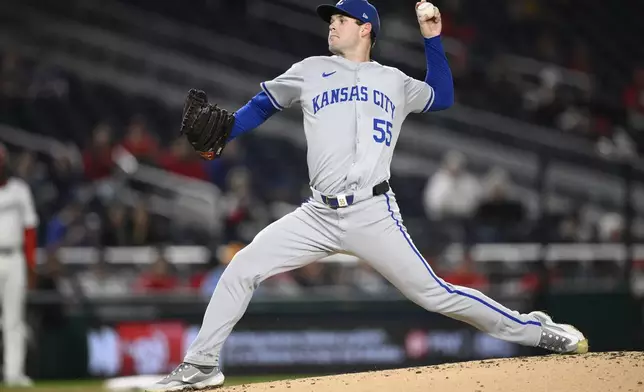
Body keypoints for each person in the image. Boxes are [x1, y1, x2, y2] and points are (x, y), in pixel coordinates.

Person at [147, 1, 587, 390]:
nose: (333, 25)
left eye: (343, 19)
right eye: (332, 19)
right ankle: (201, 365)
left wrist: (433, 38)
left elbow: (444, 96)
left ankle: (535, 330)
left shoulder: (393, 80)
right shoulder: (309, 69)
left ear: (366, 30)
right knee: (242, 266)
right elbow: (264, 103)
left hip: (373, 212)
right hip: (317, 214)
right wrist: (226, 133)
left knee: (435, 295)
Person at [0, 143, 38, 387]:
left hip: (14, 258)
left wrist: (31, 265)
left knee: (14, 320)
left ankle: (14, 374)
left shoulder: (20, 190)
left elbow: (30, 229)